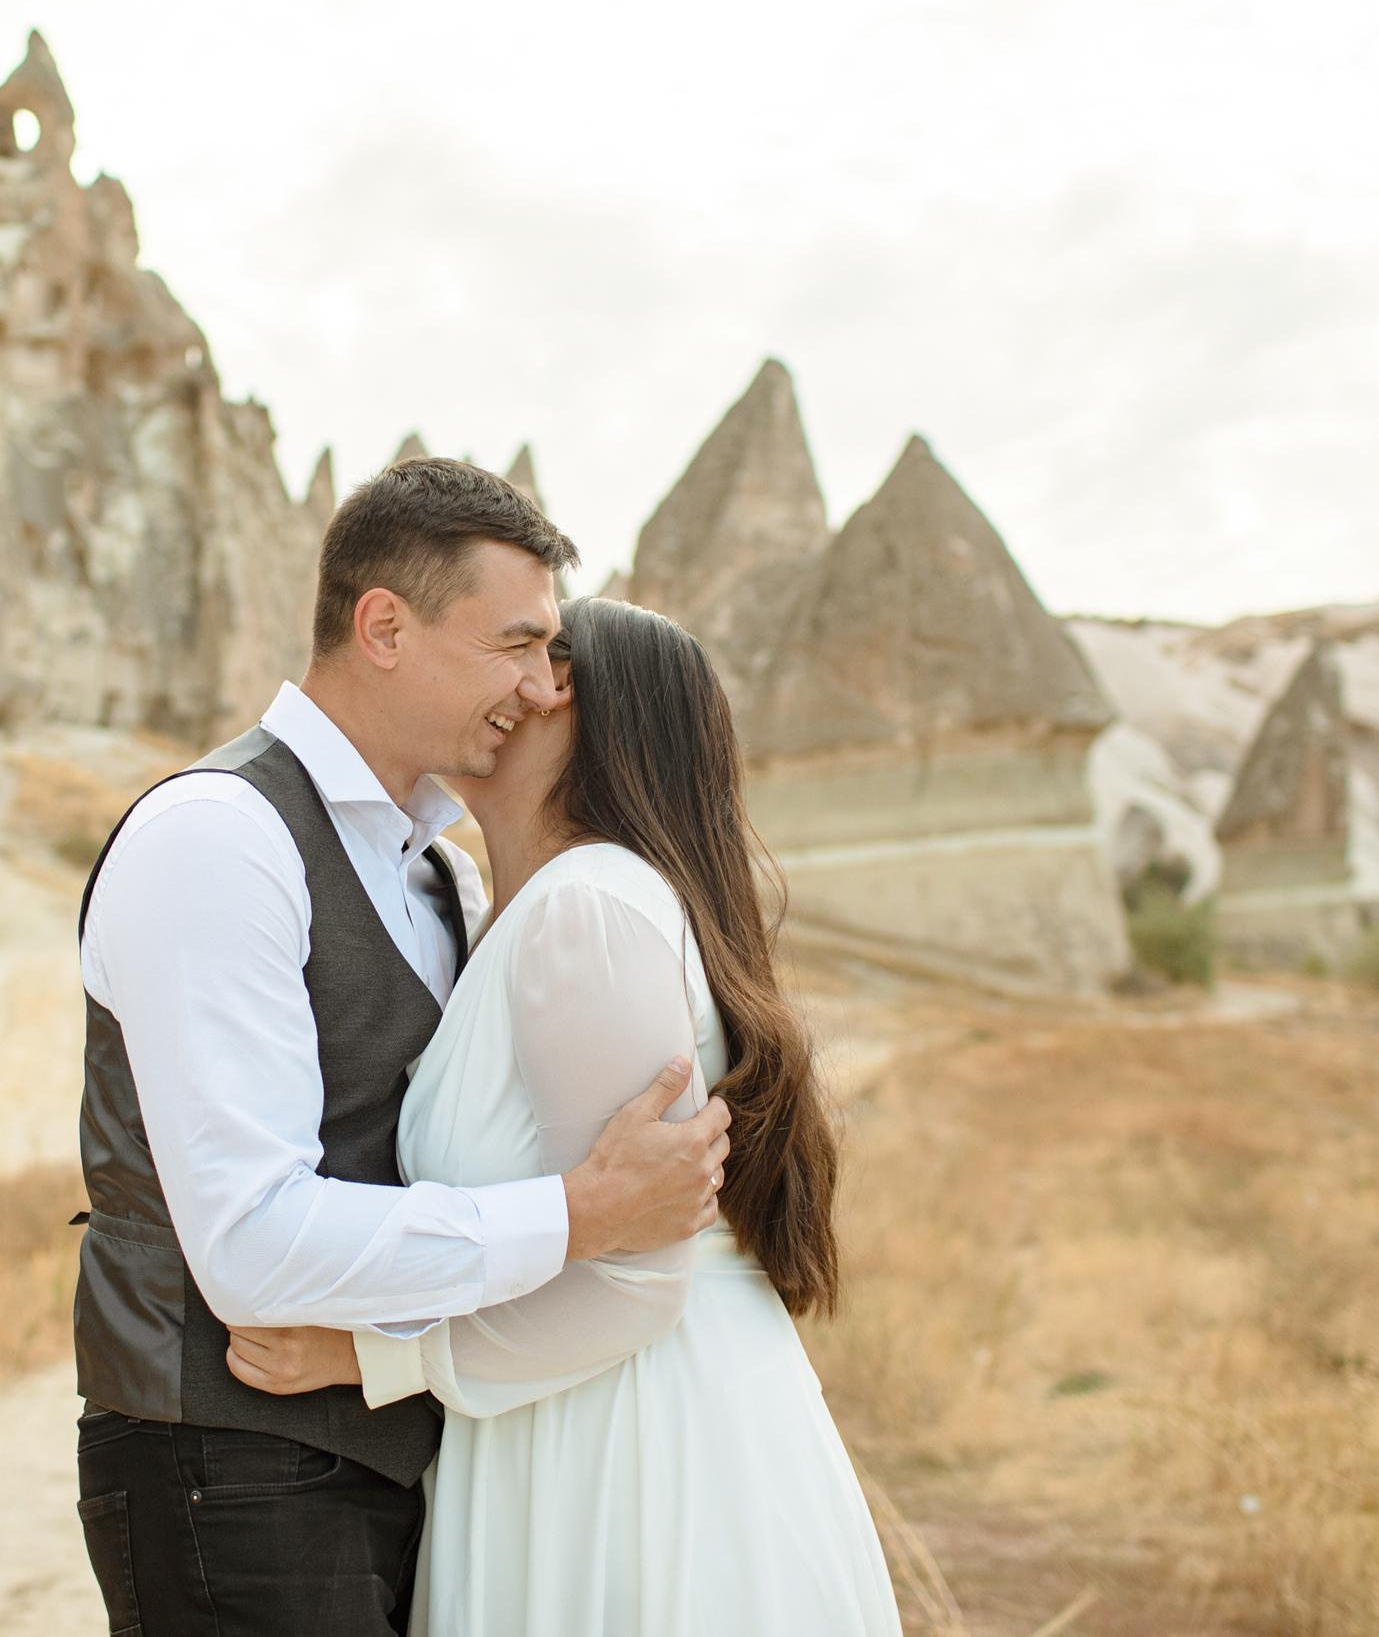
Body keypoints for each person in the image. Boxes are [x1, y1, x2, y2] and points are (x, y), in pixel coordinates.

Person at [71, 459, 734, 1636]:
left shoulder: (438, 871)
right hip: (228, 1468)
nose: (538, 688)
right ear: (384, 626)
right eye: (515, 645)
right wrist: (581, 1216)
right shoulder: (217, 838)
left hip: (391, 1466)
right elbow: (253, 1244)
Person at [228, 595, 902, 1635]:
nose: (513, 687)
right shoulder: (535, 911)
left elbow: (634, 1284)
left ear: (574, 700)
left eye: (536, 661)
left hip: (631, 1451)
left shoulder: (586, 911)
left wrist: (368, 1356)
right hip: (582, 1418)